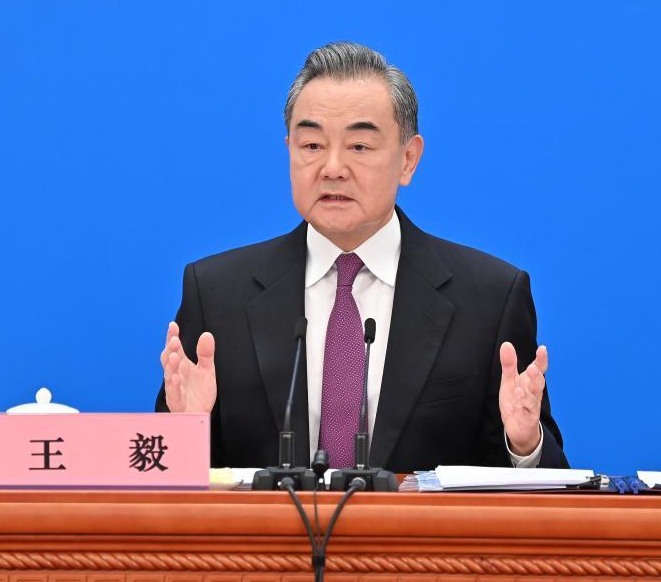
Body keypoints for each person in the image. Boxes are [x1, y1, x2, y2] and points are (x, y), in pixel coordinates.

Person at [155, 42, 568, 471]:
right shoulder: (217, 294)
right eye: (312, 145)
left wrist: (523, 444)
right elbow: (162, 482)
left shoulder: (489, 299)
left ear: (408, 159)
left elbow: (551, 489)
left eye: (359, 146)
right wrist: (185, 430)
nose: (332, 167)